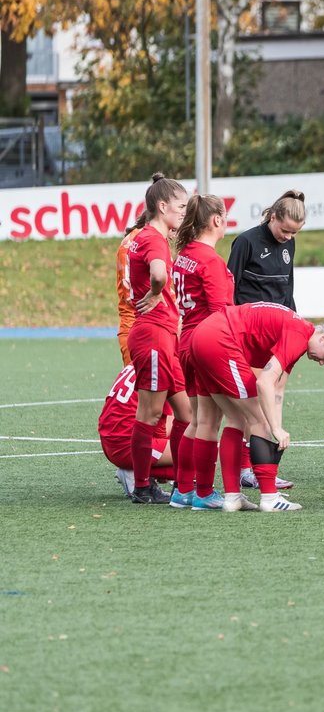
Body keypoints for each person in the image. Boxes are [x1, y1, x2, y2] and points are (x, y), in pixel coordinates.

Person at [189, 302, 324, 512]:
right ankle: (269, 498)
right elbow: (264, 382)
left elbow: (277, 390)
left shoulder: (300, 334)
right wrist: (274, 428)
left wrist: (276, 426)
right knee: (257, 419)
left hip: (202, 335)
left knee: (236, 419)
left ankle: (229, 497)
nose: (321, 363)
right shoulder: (298, 334)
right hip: (219, 339)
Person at [227, 189, 305, 491]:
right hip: (250, 333)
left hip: (280, 332)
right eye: (284, 229)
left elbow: (288, 288)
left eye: (294, 232)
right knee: (257, 399)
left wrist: (295, 326)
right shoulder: (246, 242)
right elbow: (230, 288)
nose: (287, 236)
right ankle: (249, 468)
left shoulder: (290, 244)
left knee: (275, 396)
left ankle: (266, 465)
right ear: (272, 216)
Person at [125, 172, 191, 505]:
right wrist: (155, 292)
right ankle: (140, 485)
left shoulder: (145, 235)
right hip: (152, 334)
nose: (184, 212)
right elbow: (158, 274)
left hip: (161, 335)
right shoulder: (153, 238)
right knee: (149, 416)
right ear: (162, 206)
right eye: (180, 206)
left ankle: (182, 483)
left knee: (186, 415)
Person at [171, 193, 236, 510]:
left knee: (197, 421)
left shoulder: (185, 254)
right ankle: (204, 492)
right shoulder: (210, 260)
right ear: (216, 221)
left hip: (187, 341)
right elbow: (219, 312)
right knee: (210, 422)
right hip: (207, 344)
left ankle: (183, 490)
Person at [99, 364, 175, 500]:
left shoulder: (140, 361)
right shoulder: (163, 367)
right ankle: (134, 473)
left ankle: (137, 471)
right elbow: (163, 430)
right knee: (199, 455)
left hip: (111, 440)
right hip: (126, 446)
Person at [114, 225, 142, 365]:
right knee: (139, 383)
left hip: (155, 327)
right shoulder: (132, 244)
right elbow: (130, 295)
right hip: (136, 328)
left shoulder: (159, 242)